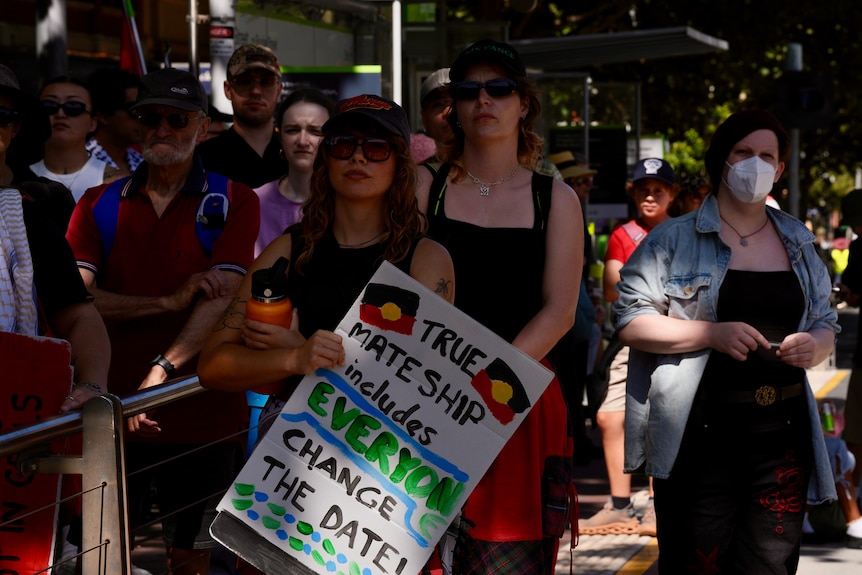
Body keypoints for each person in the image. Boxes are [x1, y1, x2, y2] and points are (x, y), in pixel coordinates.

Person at [614, 110, 839, 573]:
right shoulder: (672, 239)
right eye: (743, 152)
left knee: (771, 567)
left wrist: (814, 345)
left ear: (778, 170)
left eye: (766, 156)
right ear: (722, 159)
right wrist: (708, 334)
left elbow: (825, 322)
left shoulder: (798, 240)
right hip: (698, 438)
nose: (754, 164)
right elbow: (629, 320)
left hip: (782, 437)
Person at [65, 67, 260, 575]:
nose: (163, 130)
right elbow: (73, 301)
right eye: (151, 118)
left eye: (177, 119)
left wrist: (159, 374)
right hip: (109, 416)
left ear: (201, 126)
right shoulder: (97, 204)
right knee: (104, 558)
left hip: (203, 414)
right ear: (137, 124)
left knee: (191, 560)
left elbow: (223, 298)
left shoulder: (234, 199)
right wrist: (168, 303)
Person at [416, 38, 582, 574]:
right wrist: (443, 385)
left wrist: (486, 386)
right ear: (454, 108)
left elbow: (560, 312)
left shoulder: (555, 198)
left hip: (516, 408)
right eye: (468, 91)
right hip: (419, 396)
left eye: (498, 88)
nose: (483, 100)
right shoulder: (423, 187)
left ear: (523, 102)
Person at [0, 63, 109, 410]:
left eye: (0, 115)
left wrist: (91, 386)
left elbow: (79, 316)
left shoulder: (26, 214)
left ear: (14, 127)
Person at [580, 157, 677, 537]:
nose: (650, 197)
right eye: (643, 190)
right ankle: (619, 506)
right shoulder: (623, 233)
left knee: (660, 418)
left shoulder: (683, 231)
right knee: (609, 416)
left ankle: (657, 505)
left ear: (672, 194)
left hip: (672, 340)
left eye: (657, 190)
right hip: (631, 338)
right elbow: (611, 288)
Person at [253, 87, 335, 257]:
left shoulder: (347, 204)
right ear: (280, 137)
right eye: (292, 130)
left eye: (315, 131)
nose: (303, 141)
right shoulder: (254, 203)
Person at [197, 44, 286, 188]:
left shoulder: (294, 154)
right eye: (245, 81)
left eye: (266, 82)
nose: (256, 91)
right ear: (228, 89)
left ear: (279, 91)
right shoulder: (204, 159)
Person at [29, 77, 125, 201]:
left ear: (92, 123)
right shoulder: (16, 179)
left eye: (73, 106)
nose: (60, 114)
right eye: (49, 105)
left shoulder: (117, 183)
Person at [834, 188, 862, 498]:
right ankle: (852, 491)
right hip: (861, 355)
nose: (856, 229)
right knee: (855, 425)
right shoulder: (856, 247)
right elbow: (851, 285)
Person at [85, 67, 144, 174]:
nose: (142, 118)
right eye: (134, 111)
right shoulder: (81, 162)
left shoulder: (142, 164)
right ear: (103, 116)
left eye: (144, 111)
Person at [412, 67, 453, 164]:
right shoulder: (417, 175)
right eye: (438, 105)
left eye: (456, 103)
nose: (448, 112)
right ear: (424, 118)